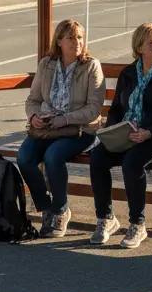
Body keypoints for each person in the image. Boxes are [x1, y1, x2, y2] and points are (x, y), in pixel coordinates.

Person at [89, 22, 152, 249]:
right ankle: (106, 219)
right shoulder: (128, 73)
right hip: (128, 134)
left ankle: (137, 224)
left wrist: (149, 132)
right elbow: (115, 110)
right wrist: (114, 132)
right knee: (98, 158)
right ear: (139, 46)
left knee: (132, 163)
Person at [17, 18, 104, 238]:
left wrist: (65, 119)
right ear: (59, 41)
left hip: (81, 130)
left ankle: (61, 210)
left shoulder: (91, 66)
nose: (77, 42)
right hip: (47, 128)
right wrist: (35, 116)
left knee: (53, 156)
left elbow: (94, 109)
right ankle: (47, 206)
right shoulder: (46, 64)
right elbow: (33, 99)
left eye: (80, 38)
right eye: (71, 38)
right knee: (24, 157)